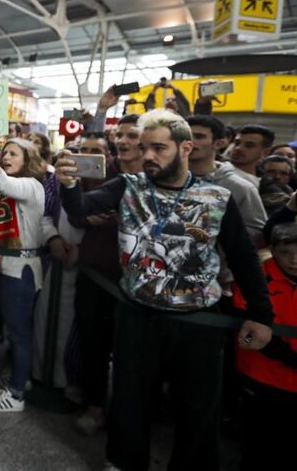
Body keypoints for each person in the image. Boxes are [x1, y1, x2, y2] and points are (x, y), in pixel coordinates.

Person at [56, 109, 274, 471]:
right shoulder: (129, 186)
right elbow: (80, 208)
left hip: (200, 321)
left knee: (197, 408)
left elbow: (243, 257)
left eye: (159, 148)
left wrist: (261, 315)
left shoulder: (218, 197)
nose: (148, 156)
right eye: (144, 148)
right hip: (138, 314)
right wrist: (68, 184)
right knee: (129, 400)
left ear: (185, 147)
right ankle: (123, 462)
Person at [68, 116, 143, 436]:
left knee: (134, 355)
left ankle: (131, 416)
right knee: (93, 345)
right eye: (120, 135)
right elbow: (72, 207)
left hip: (141, 281)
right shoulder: (98, 168)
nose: (123, 141)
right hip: (97, 271)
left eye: (133, 135)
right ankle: (95, 405)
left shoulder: (158, 180)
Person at [0, 139, 46, 412]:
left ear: (28, 159)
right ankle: (19, 376)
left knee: (18, 333)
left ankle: (17, 393)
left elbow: (2, 183)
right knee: (4, 330)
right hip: (1, 268)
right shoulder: (7, 193)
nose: (5, 157)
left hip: (21, 271)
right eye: (3, 153)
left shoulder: (31, 186)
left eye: (13, 153)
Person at [232, 223, 297, 470]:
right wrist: (291, 360)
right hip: (262, 376)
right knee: (259, 439)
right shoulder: (256, 279)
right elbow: (248, 326)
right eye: (286, 252)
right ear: (272, 250)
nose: (294, 260)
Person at [186, 115, 267, 246]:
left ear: (220, 143)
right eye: (186, 136)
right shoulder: (165, 180)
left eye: (199, 137)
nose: (190, 142)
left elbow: (257, 232)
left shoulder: (241, 187)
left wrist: (214, 231)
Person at [229, 124, 275, 188]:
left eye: (249, 145)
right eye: (237, 143)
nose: (238, 148)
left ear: (265, 152)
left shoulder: (266, 188)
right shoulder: (216, 169)